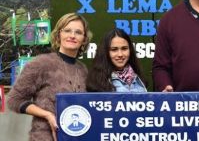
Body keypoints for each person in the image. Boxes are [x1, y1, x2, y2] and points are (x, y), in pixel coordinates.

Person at [7, 13, 92, 141]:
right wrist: (47, 115)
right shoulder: (41, 63)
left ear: (84, 39)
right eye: (67, 30)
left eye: (78, 32)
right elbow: (14, 100)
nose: (72, 36)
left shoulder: (83, 70)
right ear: (58, 35)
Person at [86, 28, 147, 92]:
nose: (120, 54)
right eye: (114, 49)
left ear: (130, 50)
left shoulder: (138, 77)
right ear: (105, 52)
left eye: (124, 48)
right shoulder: (97, 81)